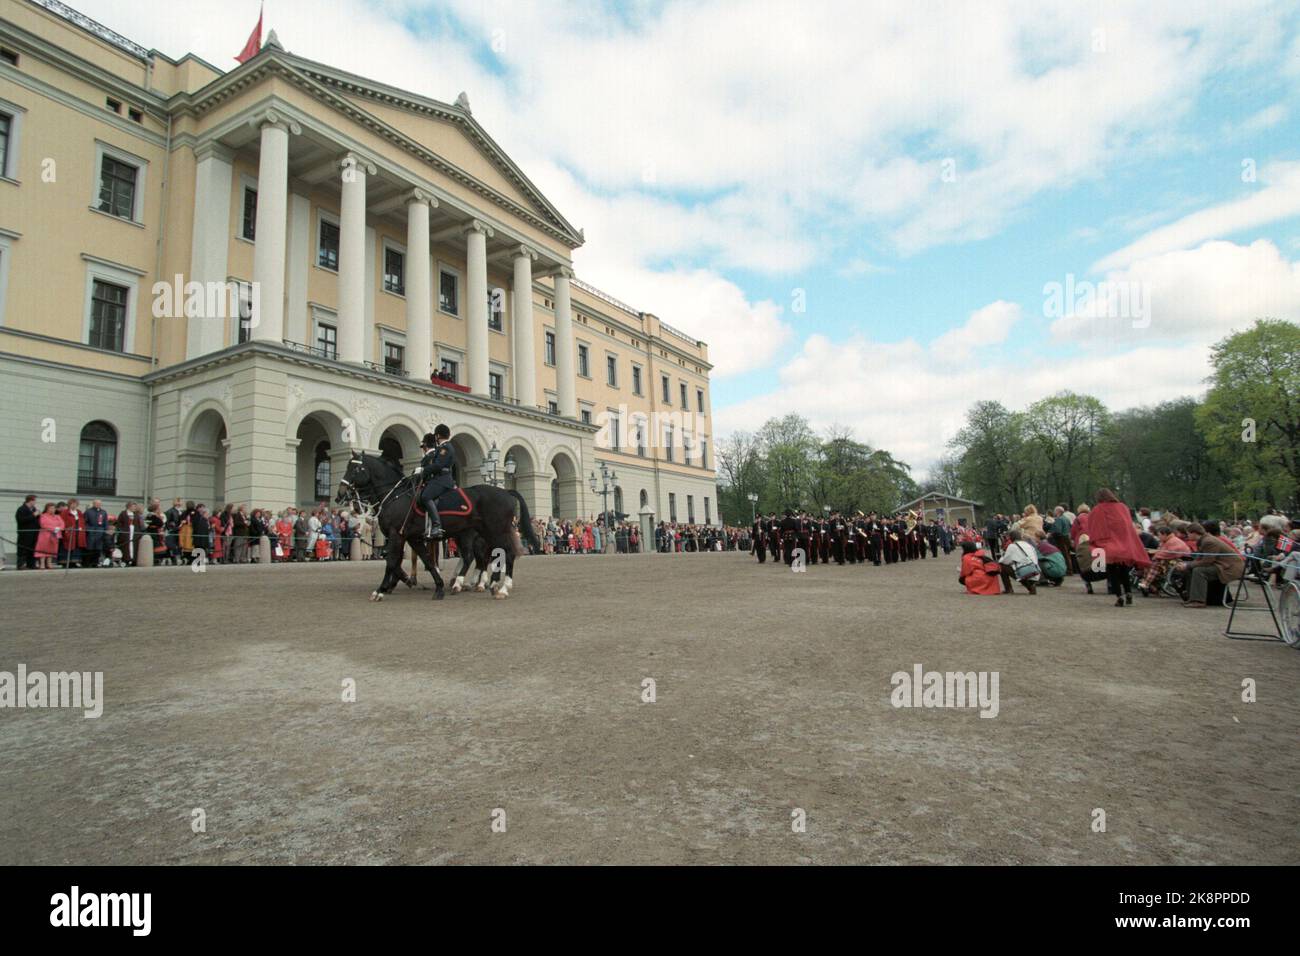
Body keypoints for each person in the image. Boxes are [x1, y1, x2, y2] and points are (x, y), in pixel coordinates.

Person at [1083, 489, 1149, 607]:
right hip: (1123, 545)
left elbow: (1094, 528)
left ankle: (1119, 596)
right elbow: (1128, 527)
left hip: (1108, 546)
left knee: (1112, 572)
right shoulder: (1122, 507)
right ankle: (1128, 592)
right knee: (1124, 570)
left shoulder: (1097, 509)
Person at [1180, 523, 1245, 608]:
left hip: (1230, 568)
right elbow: (1200, 559)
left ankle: (1199, 601)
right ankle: (1191, 598)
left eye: (1188, 533)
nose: (1187, 535)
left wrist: (1187, 565)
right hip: (1223, 566)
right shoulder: (1204, 540)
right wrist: (1187, 565)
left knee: (1199, 571)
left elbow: (1207, 561)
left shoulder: (1208, 541)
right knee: (1192, 569)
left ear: (1194, 533)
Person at [415, 425, 456, 539]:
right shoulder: (442, 447)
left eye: (436, 436)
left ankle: (437, 525)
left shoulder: (445, 448)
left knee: (426, 496)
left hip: (443, 479)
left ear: (438, 435)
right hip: (439, 478)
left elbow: (438, 465)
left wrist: (423, 470)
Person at [998, 529, 1041, 594]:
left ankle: (1009, 589)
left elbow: (1005, 561)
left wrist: (1000, 560)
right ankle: (1031, 585)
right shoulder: (1028, 545)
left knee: (1002, 566)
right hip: (1035, 570)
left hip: (1025, 572)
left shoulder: (1012, 546)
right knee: (1020, 566)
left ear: (1011, 538)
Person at [14, 494, 39, 569]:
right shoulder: (21, 509)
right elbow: (21, 520)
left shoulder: (34, 509)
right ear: (30, 501)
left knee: (32, 549)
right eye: (34, 501)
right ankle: (21, 564)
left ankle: (31, 564)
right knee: (23, 549)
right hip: (24, 533)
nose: (35, 502)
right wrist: (33, 515)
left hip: (34, 532)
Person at [35, 502, 61, 569]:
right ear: (47, 509)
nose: (53, 509)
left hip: (54, 535)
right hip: (45, 535)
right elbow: (43, 524)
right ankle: (42, 564)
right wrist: (54, 528)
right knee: (42, 549)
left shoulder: (57, 516)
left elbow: (62, 523)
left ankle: (49, 563)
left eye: (54, 508)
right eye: (51, 508)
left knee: (51, 550)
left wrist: (59, 528)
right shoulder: (43, 516)